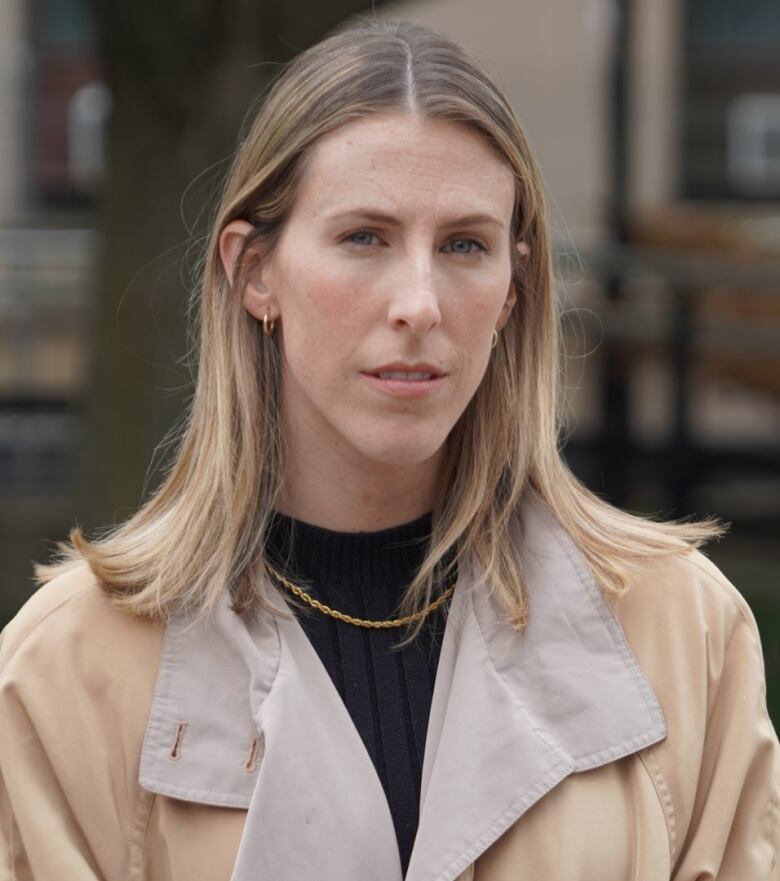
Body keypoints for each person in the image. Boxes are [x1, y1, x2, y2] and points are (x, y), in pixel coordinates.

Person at [1, 17, 777, 881]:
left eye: (464, 245)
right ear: (254, 271)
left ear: (513, 288)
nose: (420, 303)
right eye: (364, 237)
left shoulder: (682, 630)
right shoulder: (71, 669)